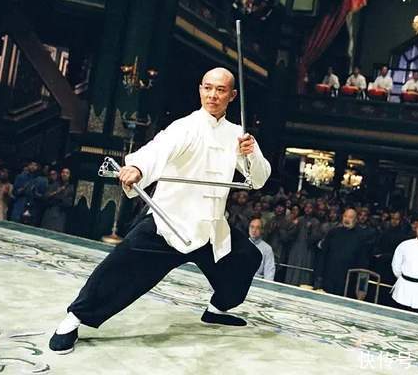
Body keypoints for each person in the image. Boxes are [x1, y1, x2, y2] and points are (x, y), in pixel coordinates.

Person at [49, 67, 271, 354]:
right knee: (119, 269)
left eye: (220, 90)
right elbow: (157, 150)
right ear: (200, 89)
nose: (212, 95)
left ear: (232, 95)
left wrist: (251, 154)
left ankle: (216, 309)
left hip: (210, 228)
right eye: (207, 88)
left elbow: (258, 179)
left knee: (246, 258)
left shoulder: (238, 136)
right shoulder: (185, 127)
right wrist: (137, 168)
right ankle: (73, 319)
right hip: (169, 224)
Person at [318, 208, 369, 296]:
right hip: (329, 275)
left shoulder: (361, 236)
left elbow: (363, 262)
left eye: (350, 217)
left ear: (356, 219)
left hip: (348, 279)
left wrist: (361, 286)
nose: (347, 219)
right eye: (345, 216)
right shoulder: (333, 233)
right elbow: (323, 254)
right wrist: (319, 275)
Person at [284, 200, 322, 287]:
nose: (307, 209)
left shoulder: (316, 222)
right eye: (306, 207)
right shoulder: (299, 219)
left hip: (307, 251)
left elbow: (315, 239)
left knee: (303, 271)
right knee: (292, 269)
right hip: (295, 248)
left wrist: (309, 230)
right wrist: (294, 225)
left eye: (310, 207)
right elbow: (290, 234)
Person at [263, 200, 296, 282]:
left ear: (285, 209)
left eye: (281, 207)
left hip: (281, 254)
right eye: (277, 207)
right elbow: (264, 237)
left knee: (278, 277)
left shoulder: (289, 223)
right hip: (268, 252)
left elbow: (288, 239)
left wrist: (280, 230)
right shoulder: (270, 221)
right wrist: (270, 230)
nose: (279, 209)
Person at [41, 168, 75, 232]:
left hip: (61, 214)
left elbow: (69, 203)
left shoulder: (70, 187)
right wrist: (56, 192)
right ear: (61, 174)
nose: (64, 174)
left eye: (67, 173)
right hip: (50, 211)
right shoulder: (54, 184)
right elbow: (45, 196)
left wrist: (60, 198)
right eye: (63, 172)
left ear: (69, 175)